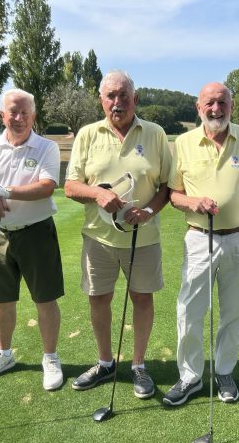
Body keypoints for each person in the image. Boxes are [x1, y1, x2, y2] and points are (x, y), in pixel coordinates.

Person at [64, 70, 171, 399]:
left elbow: (167, 186)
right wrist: (97, 193)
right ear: (101, 100)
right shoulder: (87, 134)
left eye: (123, 95)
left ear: (135, 99)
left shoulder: (155, 133)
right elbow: (70, 186)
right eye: (110, 96)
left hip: (143, 238)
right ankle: (105, 362)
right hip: (98, 238)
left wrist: (149, 211)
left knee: (142, 298)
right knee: (99, 298)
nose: (117, 102)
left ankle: (138, 364)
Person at [162, 82, 239, 406]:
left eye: (222, 102)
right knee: (189, 310)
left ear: (231, 106)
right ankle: (190, 376)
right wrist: (192, 202)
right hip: (200, 237)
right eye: (209, 103)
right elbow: (173, 194)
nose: (216, 109)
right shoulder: (184, 143)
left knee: (233, 313)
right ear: (198, 108)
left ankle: (224, 372)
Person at [0, 88, 65, 391]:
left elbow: (47, 186)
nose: (19, 118)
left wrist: (1, 191)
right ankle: (4, 354)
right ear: (2, 115)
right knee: (2, 299)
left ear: (34, 116)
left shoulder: (46, 147)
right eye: (13, 112)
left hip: (36, 231)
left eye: (25, 113)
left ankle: (50, 358)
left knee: (45, 299)